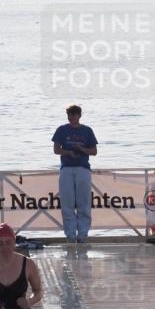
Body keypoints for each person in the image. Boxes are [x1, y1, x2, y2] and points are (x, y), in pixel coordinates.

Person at [52, 104, 98, 245]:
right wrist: (68, 152)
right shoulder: (62, 129)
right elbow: (56, 150)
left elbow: (94, 151)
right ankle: (71, 235)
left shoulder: (87, 130)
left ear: (79, 115)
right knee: (67, 203)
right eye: (69, 115)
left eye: (73, 115)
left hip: (83, 168)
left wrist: (82, 149)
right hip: (66, 168)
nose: (71, 118)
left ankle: (83, 234)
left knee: (84, 203)